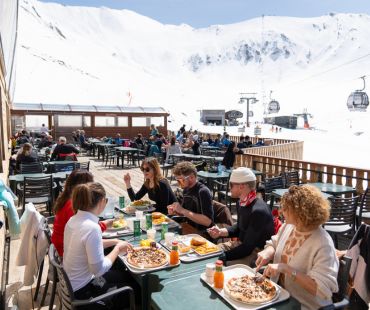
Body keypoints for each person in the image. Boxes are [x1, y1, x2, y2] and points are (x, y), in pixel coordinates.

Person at [255, 185, 339, 309]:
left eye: (286, 208)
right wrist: (268, 252)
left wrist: (286, 269)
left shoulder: (323, 243)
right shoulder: (290, 226)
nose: (281, 211)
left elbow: (322, 289)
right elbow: (274, 243)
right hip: (279, 296)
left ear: (301, 212)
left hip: (304, 305)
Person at [63, 182, 134, 309]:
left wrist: (115, 241)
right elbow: (99, 270)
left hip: (73, 286)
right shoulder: (92, 228)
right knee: (135, 291)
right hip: (83, 295)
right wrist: (117, 249)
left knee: (127, 276)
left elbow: (88, 246)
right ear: (102, 201)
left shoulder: (73, 220)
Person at [208, 167, 274, 265]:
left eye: (231, 185)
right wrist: (221, 232)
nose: (229, 188)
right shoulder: (242, 203)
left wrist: (224, 256)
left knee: (218, 263)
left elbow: (248, 248)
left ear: (242, 186)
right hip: (242, 245)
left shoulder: (258, 211)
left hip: (256, 252)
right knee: (209, 253)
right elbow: (240, 227)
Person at [51, 170, 112, 257]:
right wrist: (104, 225)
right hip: (66, 253)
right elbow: (84, 232)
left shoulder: (65, 198)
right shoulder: (72, 206)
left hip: (62, 248)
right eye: (91, 183)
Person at [168, 162, 214, 234]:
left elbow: (208, 222)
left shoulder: (203, 192)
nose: (178, 183)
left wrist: (182, 210)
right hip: (188, 227)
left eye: (181, 180)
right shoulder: (186, 189)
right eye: (177, 180)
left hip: (202, 233)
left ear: (192, 177)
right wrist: (175, 211)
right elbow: (185, 213)